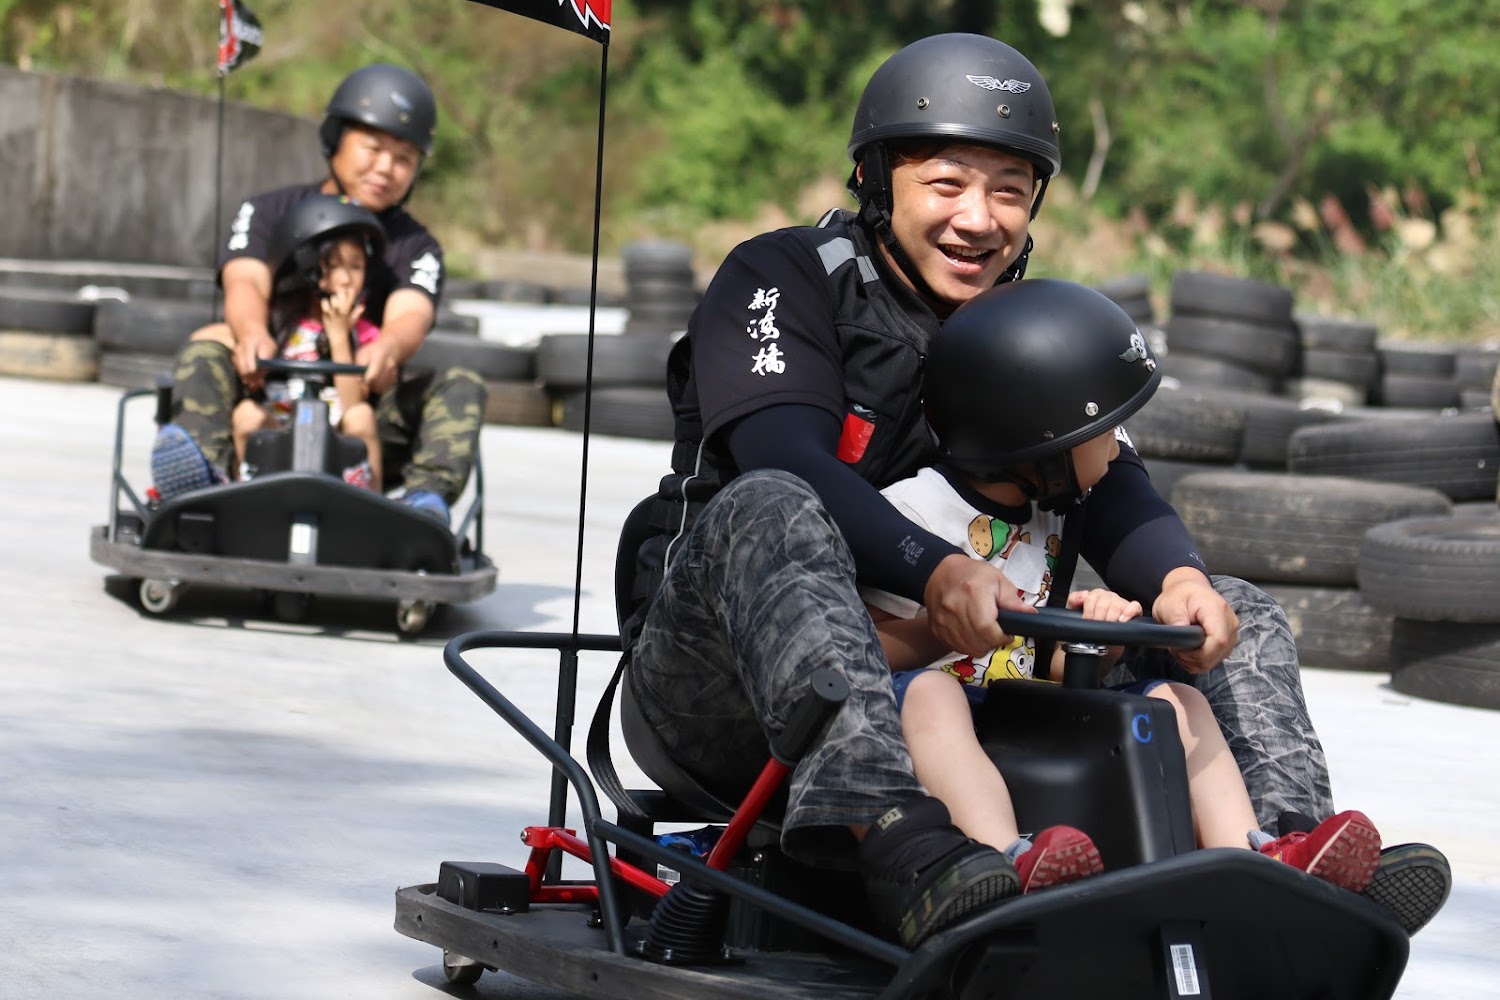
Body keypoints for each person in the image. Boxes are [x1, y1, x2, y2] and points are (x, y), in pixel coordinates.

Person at [619, 31, 1450, 946]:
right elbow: (786, 455)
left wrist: (1176, 579)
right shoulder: (782, 280)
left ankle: (1286, 861)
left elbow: (1115, 484)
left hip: (975, 679)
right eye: (946, 185)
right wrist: (938, 573)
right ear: (877, 179)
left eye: (1007, 191)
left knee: (1226, 606)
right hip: (726, 687)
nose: (978, 219)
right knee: (773, 503)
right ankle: (911, 856)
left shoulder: (1025, 324)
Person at [861, 277, 1382, 898]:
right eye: (1105, 433)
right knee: (932, 697)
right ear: (1039, 442)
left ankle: (1259, 856)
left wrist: (1093, 643)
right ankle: (1002, 860)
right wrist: (935, 632)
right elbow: (861, 650)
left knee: (1171, 699)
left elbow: (1031, 665)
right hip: (921, 734)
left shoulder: (1051, 515)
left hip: (1015, 714)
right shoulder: (911, 515)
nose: (1118, 448)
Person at [149, 63, 484, 524]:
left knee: (460, 382)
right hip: (267, 394)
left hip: (360, 416)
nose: (386, 168)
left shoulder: (416, 245)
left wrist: (386, 347)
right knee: (207, 347)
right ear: (336, 139)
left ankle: (423, 505)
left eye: (404, 158)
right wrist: (250, 334)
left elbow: (412, 314)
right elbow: (244, 280)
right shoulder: (268, 211)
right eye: (374, 148)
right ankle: (204, 480)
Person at [213, 194, 386, 490]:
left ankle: (372, 500)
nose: (345, 279)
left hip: (335, 434)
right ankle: (242, 489)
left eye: (355, 267)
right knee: (246, 415)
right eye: (333, 266)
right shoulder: (279, 322)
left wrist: (339, 334)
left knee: (362, 416)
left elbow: (352, 403)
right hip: (280, 427)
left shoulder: (365, 333)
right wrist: (245, 348)